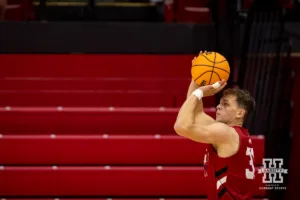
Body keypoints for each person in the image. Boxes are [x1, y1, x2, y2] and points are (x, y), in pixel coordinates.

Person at [174, 52, 256, 199]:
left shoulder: (225, 133)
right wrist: (197, 79)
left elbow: (181, 126)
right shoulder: (232, 133)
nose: (218, 107)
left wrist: (199, 92)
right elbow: (196, 114)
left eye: (225, 104)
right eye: (220, 102)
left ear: (240, 113)